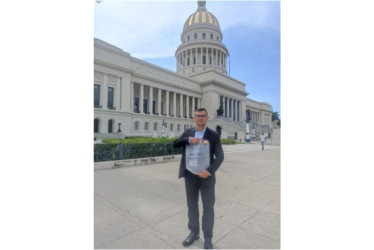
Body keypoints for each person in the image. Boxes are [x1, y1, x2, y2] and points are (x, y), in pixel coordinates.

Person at [173, 108, 224, 249]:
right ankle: (194, 232)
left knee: (208, 207)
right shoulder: (188, 133)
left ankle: (208, 236)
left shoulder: (213, 135)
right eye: (197, 116)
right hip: (190, 176)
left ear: (207, 118)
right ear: (194, 118)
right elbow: (174, 144)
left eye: (203, 116)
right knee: (192, 206)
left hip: (206, 177)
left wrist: (208, 171)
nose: (200, 118)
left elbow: (220, 156)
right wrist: (189, 140)